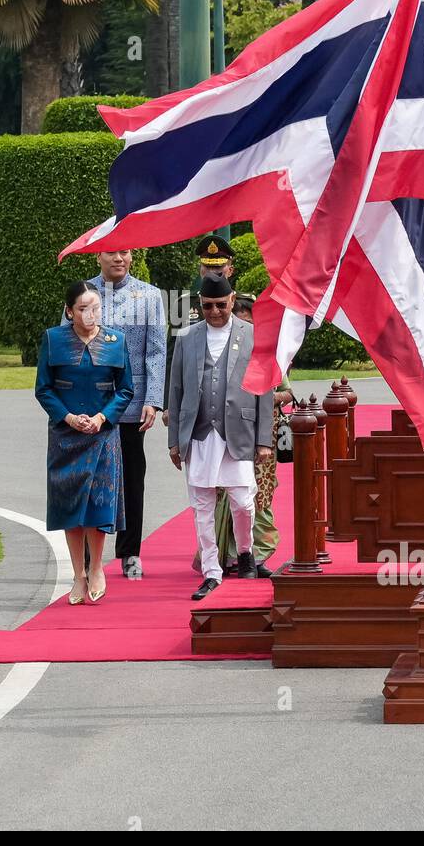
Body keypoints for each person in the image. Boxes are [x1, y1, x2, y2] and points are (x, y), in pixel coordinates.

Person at [166, 271, 274, 601]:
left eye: (221, 305)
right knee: (202, 506)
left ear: (232, 300)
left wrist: (264, 439)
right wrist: (173, 439)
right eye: (208, 305)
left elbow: (264, 388)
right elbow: (176, 389)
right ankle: (212, 570)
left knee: (243, 502)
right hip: (197, 434)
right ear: (200, 304)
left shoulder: (253, 335)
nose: (215, 312)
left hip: (237, 432)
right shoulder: (186, 338)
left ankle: (245, 552)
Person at [63, 249, 166, 579]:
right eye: (111, 253)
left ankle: (130, 551)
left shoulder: (149, 296)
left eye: (124, 252)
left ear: (132, 256)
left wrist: (153, 398)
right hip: (90, 404)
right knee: (91, 479)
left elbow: (156, 351)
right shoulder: (83, 294)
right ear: (98, 258)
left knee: (131, 478)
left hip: (132, 404)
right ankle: (91, 556)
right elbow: (65, 346)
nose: (118, 258)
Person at [36, 282, 134, 605]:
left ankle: (97, 569)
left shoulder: (116, 342)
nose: (90, 315)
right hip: (66, 436)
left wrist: (102, 418)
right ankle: (78, 574)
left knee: (98, 503)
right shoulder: (53, 340)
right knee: (70, 504)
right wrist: (68, 418)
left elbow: (125, 390)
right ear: (69, 311)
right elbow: (44, 389)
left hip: (103, 435)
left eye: (95, 308)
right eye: (82, 309)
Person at [212, 293, 290, 578]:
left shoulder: (266, 352)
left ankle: (257, 557)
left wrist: (261, 397)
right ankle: (230, 557)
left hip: (263, 433)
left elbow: (287, 390)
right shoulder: (220, 352)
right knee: (228, 493)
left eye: (249, 322)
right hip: (229, 431)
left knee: (260, 495)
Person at [164, 234, 235, 421]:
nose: (212, 271)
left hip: (234, 400)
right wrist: (168, 405)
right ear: (200, 269)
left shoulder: (246, 305)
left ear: (230, 270)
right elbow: (172, 358)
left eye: (218, 267)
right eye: (208, 266)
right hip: (193, 399)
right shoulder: (183, 306)